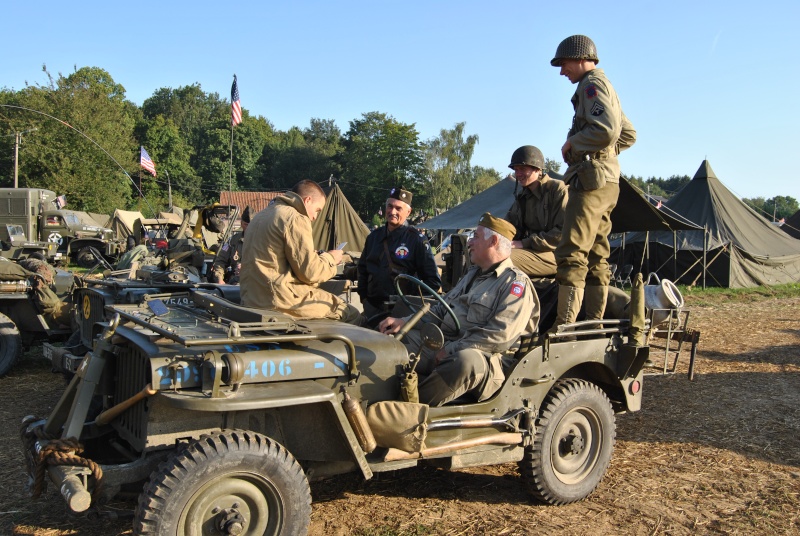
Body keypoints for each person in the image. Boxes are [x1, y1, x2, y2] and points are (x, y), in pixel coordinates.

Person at [379, 213, 538, 406]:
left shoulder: (515, 284)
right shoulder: (472, 273)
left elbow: (499, 336)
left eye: (476, 237)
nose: (469, 241)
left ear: (493, 241)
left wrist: (451, 349)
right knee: (392, 342)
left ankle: (411, 410)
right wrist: (404, 322)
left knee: (464, 362)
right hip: (446, 344)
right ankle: (378, 396)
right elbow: (440, 309)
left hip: (487, 360)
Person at [549, 35, 637, 328]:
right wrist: (606, 154)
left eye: (564, 64)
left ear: (580, 57)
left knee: (571, 253)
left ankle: (565, 327)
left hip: (589, 182)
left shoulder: (591, 85)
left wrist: (574, 143)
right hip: (609, 182)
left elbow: (608, 130)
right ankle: (593, 324)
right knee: (598, 254)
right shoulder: (605, 86)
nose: (563, 71)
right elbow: (628, 134)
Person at [239, 180, 362, 324]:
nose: (315, 217)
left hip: (252, 298)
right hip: (279, 302)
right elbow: (310, 273)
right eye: (317, 210)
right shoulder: (295, 218)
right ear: (307, 200)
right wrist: (330, 258)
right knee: (349, 312)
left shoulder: (260, 216)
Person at [358, 186, 441, 319]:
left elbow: (432, 282)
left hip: (400, 313)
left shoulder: (417, 240)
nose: (392, 211)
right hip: (373, 308)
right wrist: (364, 299)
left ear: (408, 212)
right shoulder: (374, 237)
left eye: (398, 208)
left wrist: (410, 307)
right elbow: (362, 269)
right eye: (389, 206)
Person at [505, 145, 568, 278]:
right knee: (482, 252)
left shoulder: (557, 190)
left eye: (522, 169)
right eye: (516, 170)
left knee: (497, 257)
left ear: (538, 169)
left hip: (555, 254)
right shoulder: (523, 196)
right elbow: (508, 225)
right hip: (532, 251)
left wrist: (524, 243)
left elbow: (563, 232)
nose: (518, 174)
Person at [210, 206, 253, 284]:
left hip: (256, 285)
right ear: (241, 223)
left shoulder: (263, 241)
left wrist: (248, 269)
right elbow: (220, 261)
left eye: (251, 225)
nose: (248, 228)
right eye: (246, 224)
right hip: (235, 283)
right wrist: (219, 279)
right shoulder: (233, 240)